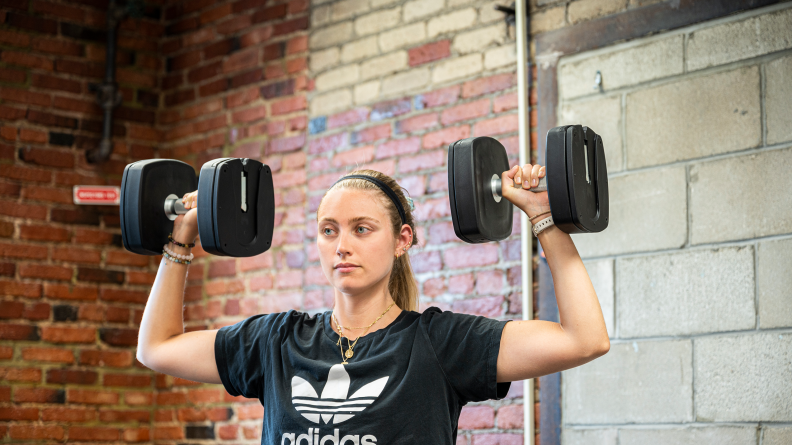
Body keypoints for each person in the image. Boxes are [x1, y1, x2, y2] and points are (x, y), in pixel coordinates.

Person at [136, 163, 609, 444]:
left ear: (402, 239)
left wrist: (543, 216)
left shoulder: (439, 345)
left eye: (361, 229)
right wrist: (182, 239)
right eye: (329, 230)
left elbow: (584, 340)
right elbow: (155, 348)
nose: (342, 245)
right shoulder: (276, 341)